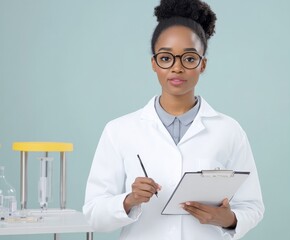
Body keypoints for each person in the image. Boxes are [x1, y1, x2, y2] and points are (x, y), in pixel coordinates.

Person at [83, 0, 264, 239]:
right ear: (154, 64)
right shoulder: (119, 130)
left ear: (203, 65)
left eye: (189, 59)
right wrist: (129, 200)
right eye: (166, 58)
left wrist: (228, 219)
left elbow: (252, 206)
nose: (176, 68)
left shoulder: (229, 130)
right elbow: (93, 214)